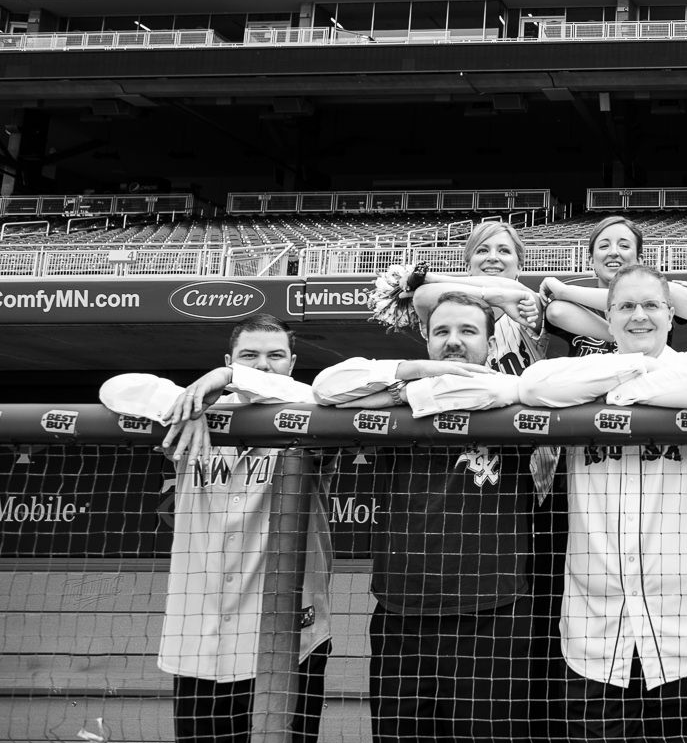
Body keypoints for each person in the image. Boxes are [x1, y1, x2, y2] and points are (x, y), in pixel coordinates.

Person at [314, 291, 626, 743]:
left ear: (490, 339)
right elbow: (326, 386)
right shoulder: (395, 393)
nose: (453, 341)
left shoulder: (516, 397)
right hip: (402, 614)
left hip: (492, 615)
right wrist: (417, 375)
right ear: (425, 337)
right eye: (441, 331)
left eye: (467, 331)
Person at [97, 314, 332, 743]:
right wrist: (191, 402)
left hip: (287, 644)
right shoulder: (194, 414)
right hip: (199, 639)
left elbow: (326, 396)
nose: (262, 366)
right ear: (228, 357)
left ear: (293, 363)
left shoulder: (312, 416)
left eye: (275, 356)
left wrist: (226, 376)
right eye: (248, 356)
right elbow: (116, 387)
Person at [557, 263, 687, 742]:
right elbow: (533, 388)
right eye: (625, 306)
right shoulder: (576, 374)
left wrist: (620, 390)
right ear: (607, 316)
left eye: (651, 305)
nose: (638, 315)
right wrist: (622, 376)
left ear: (670, 315)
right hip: (597, 632)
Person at [538, 214, 687, 366]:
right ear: (591, 261)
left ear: (640, 259)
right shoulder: (574, 305)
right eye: (604, 246)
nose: (613, 252)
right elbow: (556, 312)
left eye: (624, 246)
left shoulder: (656, 303)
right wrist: (621, 333)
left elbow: (673, 292)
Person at [412, 219, 543, 375]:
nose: (493, 257)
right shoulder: (450, 309)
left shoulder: (528, 304)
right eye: (482, 250)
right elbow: (421, 297)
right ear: (468, 266)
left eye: (504, 251)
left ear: (519, 267)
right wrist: (497, 297)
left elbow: (512, 288)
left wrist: (434, 278)